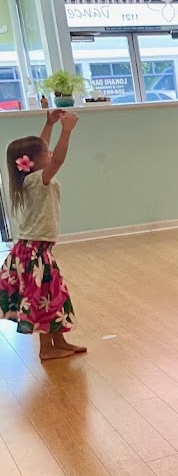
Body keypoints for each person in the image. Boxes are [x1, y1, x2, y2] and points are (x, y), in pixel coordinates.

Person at [0, 110, 87, 361]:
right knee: (44, 299)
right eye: (45, 154)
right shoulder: (39, 179)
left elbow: (44, 149)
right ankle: (47, 348)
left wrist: (49, 123)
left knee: (55, 296)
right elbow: (57, 159)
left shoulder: (30, 176)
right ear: (33, 163)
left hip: (37, 250)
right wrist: (66, 130)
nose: (50, 154)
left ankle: (58, 341)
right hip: (35, 251)